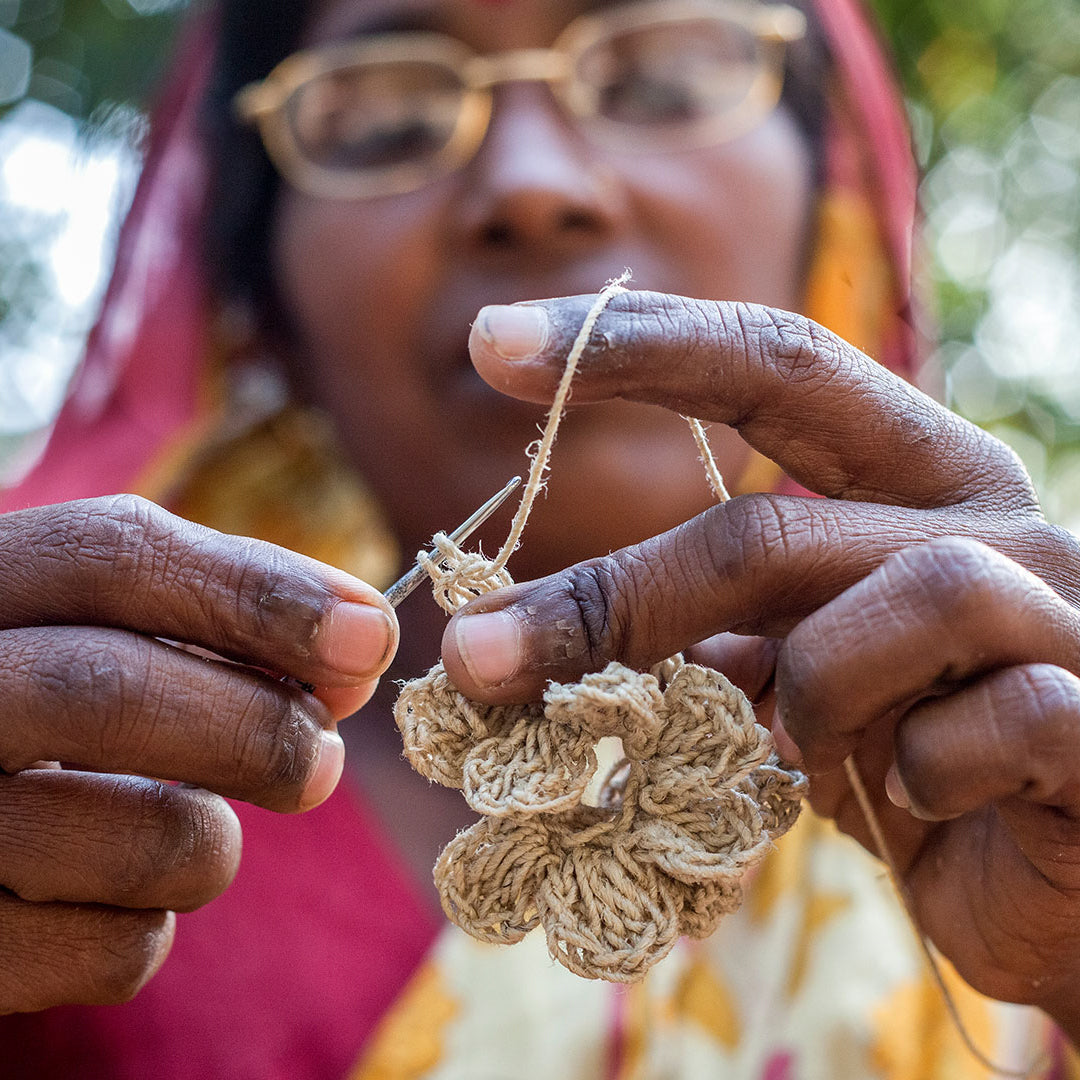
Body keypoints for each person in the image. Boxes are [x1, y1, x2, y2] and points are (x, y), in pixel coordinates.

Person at [1, 0, 1078, 1076]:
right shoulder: (62, 768)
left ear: (830, 218)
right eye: (389, 117)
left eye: (658, 76)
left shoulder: (1023, 780)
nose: (531, 183)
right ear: (260, 297)